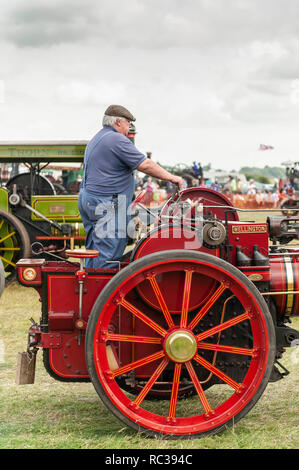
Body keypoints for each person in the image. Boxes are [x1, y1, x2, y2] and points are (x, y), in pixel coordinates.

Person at [78, 104, 183, 268]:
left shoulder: (98, 138)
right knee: (109, 255)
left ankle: (88, 286)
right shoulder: (116, 139)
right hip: (107, 203)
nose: (129, 129)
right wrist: (172, 178)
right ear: (118, 122)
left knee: (95, 250)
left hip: (91, 200)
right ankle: (100, 290)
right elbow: (145, 165)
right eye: (128, 123)